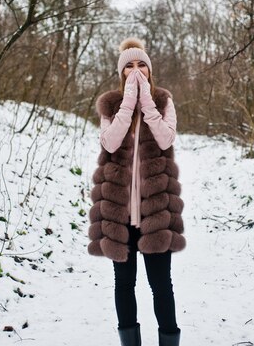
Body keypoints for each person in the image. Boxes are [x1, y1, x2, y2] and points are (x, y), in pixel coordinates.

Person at [88, 38, 186, 346]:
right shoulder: (111, 104)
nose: (136, 70)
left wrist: (147, 103)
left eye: (141, 64)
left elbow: (166, 139)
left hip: (156, 210)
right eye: (129, 66)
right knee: (124, 284)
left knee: (161, 285)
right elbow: (110, 142)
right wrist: (128, 102)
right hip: (118, 212)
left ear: (150, 68)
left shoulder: (164, 100)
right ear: (121, 72)